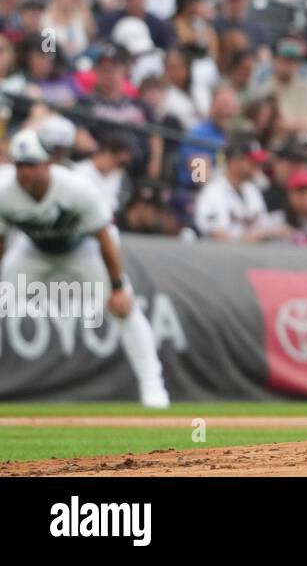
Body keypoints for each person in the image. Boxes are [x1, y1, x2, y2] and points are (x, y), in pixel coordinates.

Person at [0, 130, 169, 408]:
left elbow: (105, 239)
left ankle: (154, 389)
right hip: (33, 252)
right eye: (19, 165)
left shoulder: (76, 188)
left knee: (125, 307)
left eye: (31, 164)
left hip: (81, 250)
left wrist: (116, 288)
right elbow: (1, 240)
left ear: (48, 163)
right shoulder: (5, 193)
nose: (23, 172)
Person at [193, 139, 276, 241]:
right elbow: (216, 234)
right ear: (234, 161)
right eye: (252, 162)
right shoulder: (213, 191)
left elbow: (263, 225)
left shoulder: (252, 190)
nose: (257, 166)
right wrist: (245, 239)